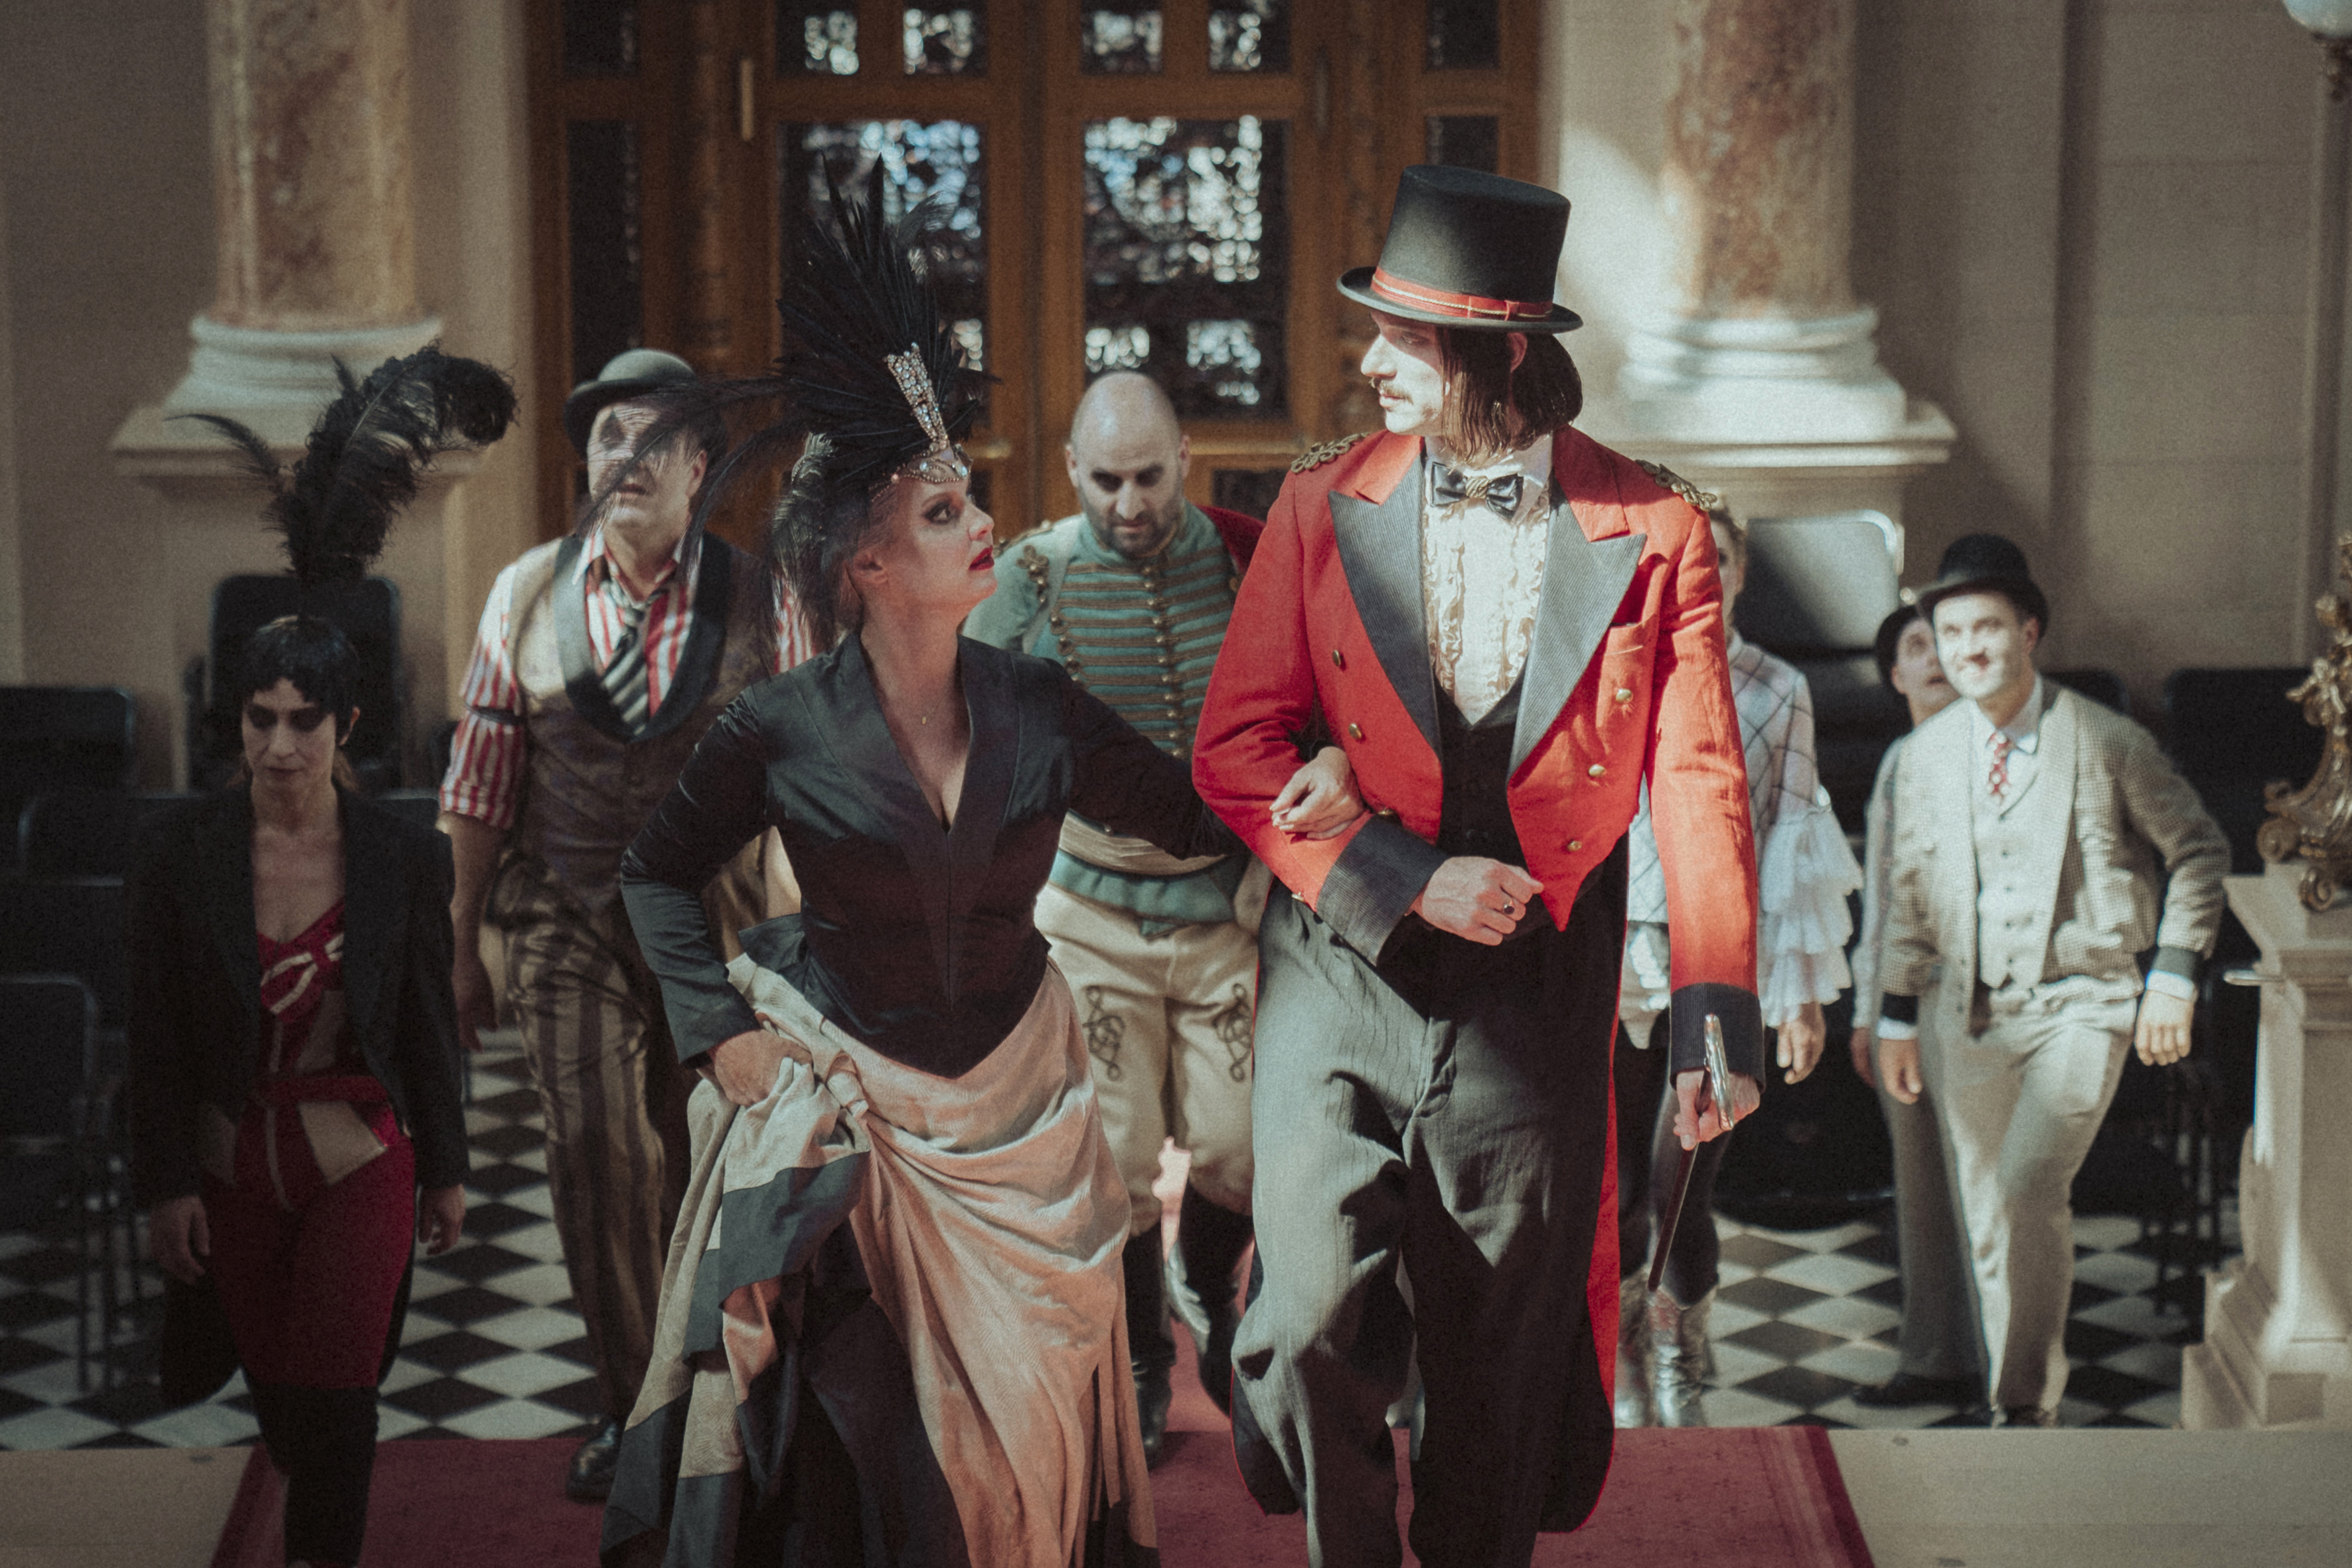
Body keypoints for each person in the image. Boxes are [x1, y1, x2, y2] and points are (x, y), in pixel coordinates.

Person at [599, 175, 1344, 1566]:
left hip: (1026, 1121)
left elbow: (1193, 812)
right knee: (878, 1457)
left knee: (1028, 1464)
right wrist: (717, 1033)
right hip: (859, 1126)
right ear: (871, 565)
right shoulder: (778, 728)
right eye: (943, 513)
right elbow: (654, 873)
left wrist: (1318, 781)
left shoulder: (1036, 706)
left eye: (970, 500)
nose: (980, 521)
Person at [1192, 163, 1764, 1568]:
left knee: (1496, 1353)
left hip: (1534, 985)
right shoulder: (1320, 501)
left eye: (1405, 339)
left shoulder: (1657, 530)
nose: (1370, 364)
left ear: (1499, 355)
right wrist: (1395, 871)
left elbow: (1698, 781)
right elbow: (1234, 746)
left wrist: (1715, 1011)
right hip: (1342, 962)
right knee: (1311, 1315)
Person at [134, 347, 510, 1568]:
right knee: (289, 1408)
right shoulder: (182, 855)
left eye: (306, 720)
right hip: (232, 1153)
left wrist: (445, 1166)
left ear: (346, 726)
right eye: (261, 719)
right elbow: (154, 1036)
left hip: (363, 1149)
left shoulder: (402, 855)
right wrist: (165, 1183)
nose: (281, 744)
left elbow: (424, 1023)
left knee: (342, 1398)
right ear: (237, 723)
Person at [437, 347, 813, 1500]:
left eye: (654, 437)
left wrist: (816, 950)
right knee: (599, 1154)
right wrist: (457, 943)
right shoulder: (523, 592)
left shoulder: (764, 598)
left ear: (699, 468)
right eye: (608, 434)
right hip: (567, 916)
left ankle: (715, 1397)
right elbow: (479, 787)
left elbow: (810, 782)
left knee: (704, 1160)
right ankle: (633, 1410)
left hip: (716, 927)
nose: (626, 455)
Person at [965, 370, 1354, 1454]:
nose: (1128, 503)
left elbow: (1322, 700)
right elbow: (963, 733)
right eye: (1104, 480)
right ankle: (1141, 1355)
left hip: (1229, 899)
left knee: (1240, 1149)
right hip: (1086, 907)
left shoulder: (1247, 559)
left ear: (1184, 458)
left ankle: (1204, 1283)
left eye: (1147, 476)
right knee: (1115, 1154)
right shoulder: (1025, 578)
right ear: (1070, 471)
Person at [1877, 533, 2228, 1427]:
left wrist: (2173, 977)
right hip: (1967, 1017)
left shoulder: (2106, 740)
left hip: (2084, 1004)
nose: (1968, 650)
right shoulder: (1924, 755)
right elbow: (1909, 893)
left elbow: (2198, 851)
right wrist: (1894, 1015)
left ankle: (2024, 1399)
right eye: (1952, 634)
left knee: (2028, 1183)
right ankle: (2018, 1412)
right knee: (1988, 1218)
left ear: (2028, 631)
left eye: (1987, 628)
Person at [1611, 506, 1859, 1428]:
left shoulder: (1777, 686)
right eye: (1684, 556)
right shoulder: (1614, 664)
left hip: (1718, 960)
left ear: (1741, 570)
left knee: (1682, 1177)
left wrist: (1799, 995)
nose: (1701, 570)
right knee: (1614, 1183)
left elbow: (1793, 834)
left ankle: (1680, 1339)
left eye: (1717, 556)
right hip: (1615, 955)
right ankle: (1622, 1352)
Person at [1844, 601, 1984, 1411]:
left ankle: (2007, 1370)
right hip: (1905, 1002)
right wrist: (1870, 1012)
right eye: (1918, 647)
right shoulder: (1900, 760)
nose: (1936, 658)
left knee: (1985, 1184)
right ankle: (1936, 1357)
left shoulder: (1990, 745)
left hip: (1981, 998)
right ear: (1896, 674)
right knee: (1922, 1183)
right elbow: (1884, 901)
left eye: (1946, 642)